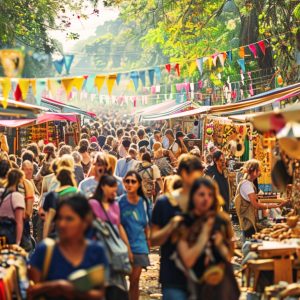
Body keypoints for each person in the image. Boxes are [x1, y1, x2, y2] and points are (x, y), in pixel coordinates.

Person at [28, 194, 108, 300]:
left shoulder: (97, 251)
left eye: (69, 219)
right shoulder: (45, 250)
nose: (62, 224)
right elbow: (31, 292)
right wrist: (56, 286)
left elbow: (100, 293)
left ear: (85, 222)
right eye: (60, 218)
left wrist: (73, 291)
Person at [175, 178, 240, 300]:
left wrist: (220, 245)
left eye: (210, 194)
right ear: (192, 196)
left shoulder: (221, 221)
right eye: (201, 194)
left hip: (220, 287)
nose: (206, 199)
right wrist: (204, 236)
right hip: (194, 285)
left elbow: (229, 255)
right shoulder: (185, 223)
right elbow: (187, 260)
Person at [151, 155, 204, 300]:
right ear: (185, 174)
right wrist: (171, 227)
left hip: (201, 275)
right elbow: (152, 240)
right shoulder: (164, 203)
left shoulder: (204, 201)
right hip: (173, 276)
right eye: (197, 174)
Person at [89, 175, 130, 299]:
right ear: (102, 187)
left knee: (117, 284)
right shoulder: (93, 203)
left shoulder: (115, 205)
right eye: (111, 187)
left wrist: (127, 247)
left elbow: (119, 226)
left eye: (116, 187)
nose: (114, 190)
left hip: (114, 250)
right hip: (98, 250)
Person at [119, 171, 151, 300]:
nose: (130, 184)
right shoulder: (119, 202)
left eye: (133, 181)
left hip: (139, 246)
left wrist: (148, 241)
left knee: (134, 281)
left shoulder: (144, 202)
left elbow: (147, 224)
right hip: (122, 247)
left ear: (138, 184)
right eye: (127, 181)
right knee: (121, 284)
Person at [235, 159, 282, 238]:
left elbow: (258, 197)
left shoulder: (249, 183)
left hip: (250, 220)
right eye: (259, 170)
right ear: (254, 171)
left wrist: (276, 198)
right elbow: (256, 205)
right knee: (249, 241)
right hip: (248, 221)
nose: (260, 173)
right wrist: (274, 206)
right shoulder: (247, 185)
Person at [43, 167, 78, 238]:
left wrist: (45, 239)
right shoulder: (77, 193)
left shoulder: (52, 195)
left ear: (58, 178)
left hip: (57, 235)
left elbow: (48, 220)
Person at [0, 169, 25, 245]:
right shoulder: (17, 196)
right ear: (20, 180)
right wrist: (18, 243)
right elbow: (19, 221)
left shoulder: (1, 192)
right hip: (9, 235)